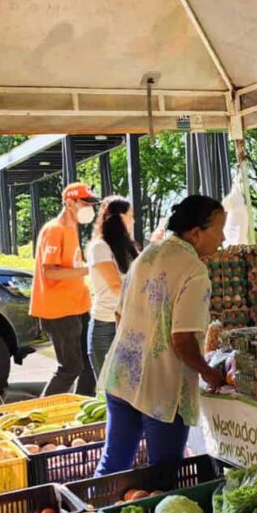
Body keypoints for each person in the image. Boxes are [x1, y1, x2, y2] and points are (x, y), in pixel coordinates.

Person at [95, 194, 227, 474]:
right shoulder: (194, 271)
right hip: (162, 389)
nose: (223, 237)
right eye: (218, 229)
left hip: (122, 376)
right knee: (162, 474)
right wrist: (208, 372)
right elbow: (182, 340)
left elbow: (120, 315)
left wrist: (140, 349)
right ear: (196, 233)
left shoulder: (148, 254)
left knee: (112, 466)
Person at [30, 182, 99, 396]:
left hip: (78, 307)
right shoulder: (54, 230)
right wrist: (90, 270)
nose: (90, 208)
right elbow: (50, 272)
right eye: (85, 202)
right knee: (70, 368)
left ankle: (82, 410)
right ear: (69, 203)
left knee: (89, 362)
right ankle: (39, 416)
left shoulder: (71, 228)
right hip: (59, 311)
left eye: (91, 203)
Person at [86, 196, 139, 378]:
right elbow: (116, 285)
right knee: (106, 387)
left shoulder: (128, 248)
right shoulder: (99, 247)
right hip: (105, 325)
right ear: (118, 218)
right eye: (130, 215)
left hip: (129, 322)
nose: (133, 220)